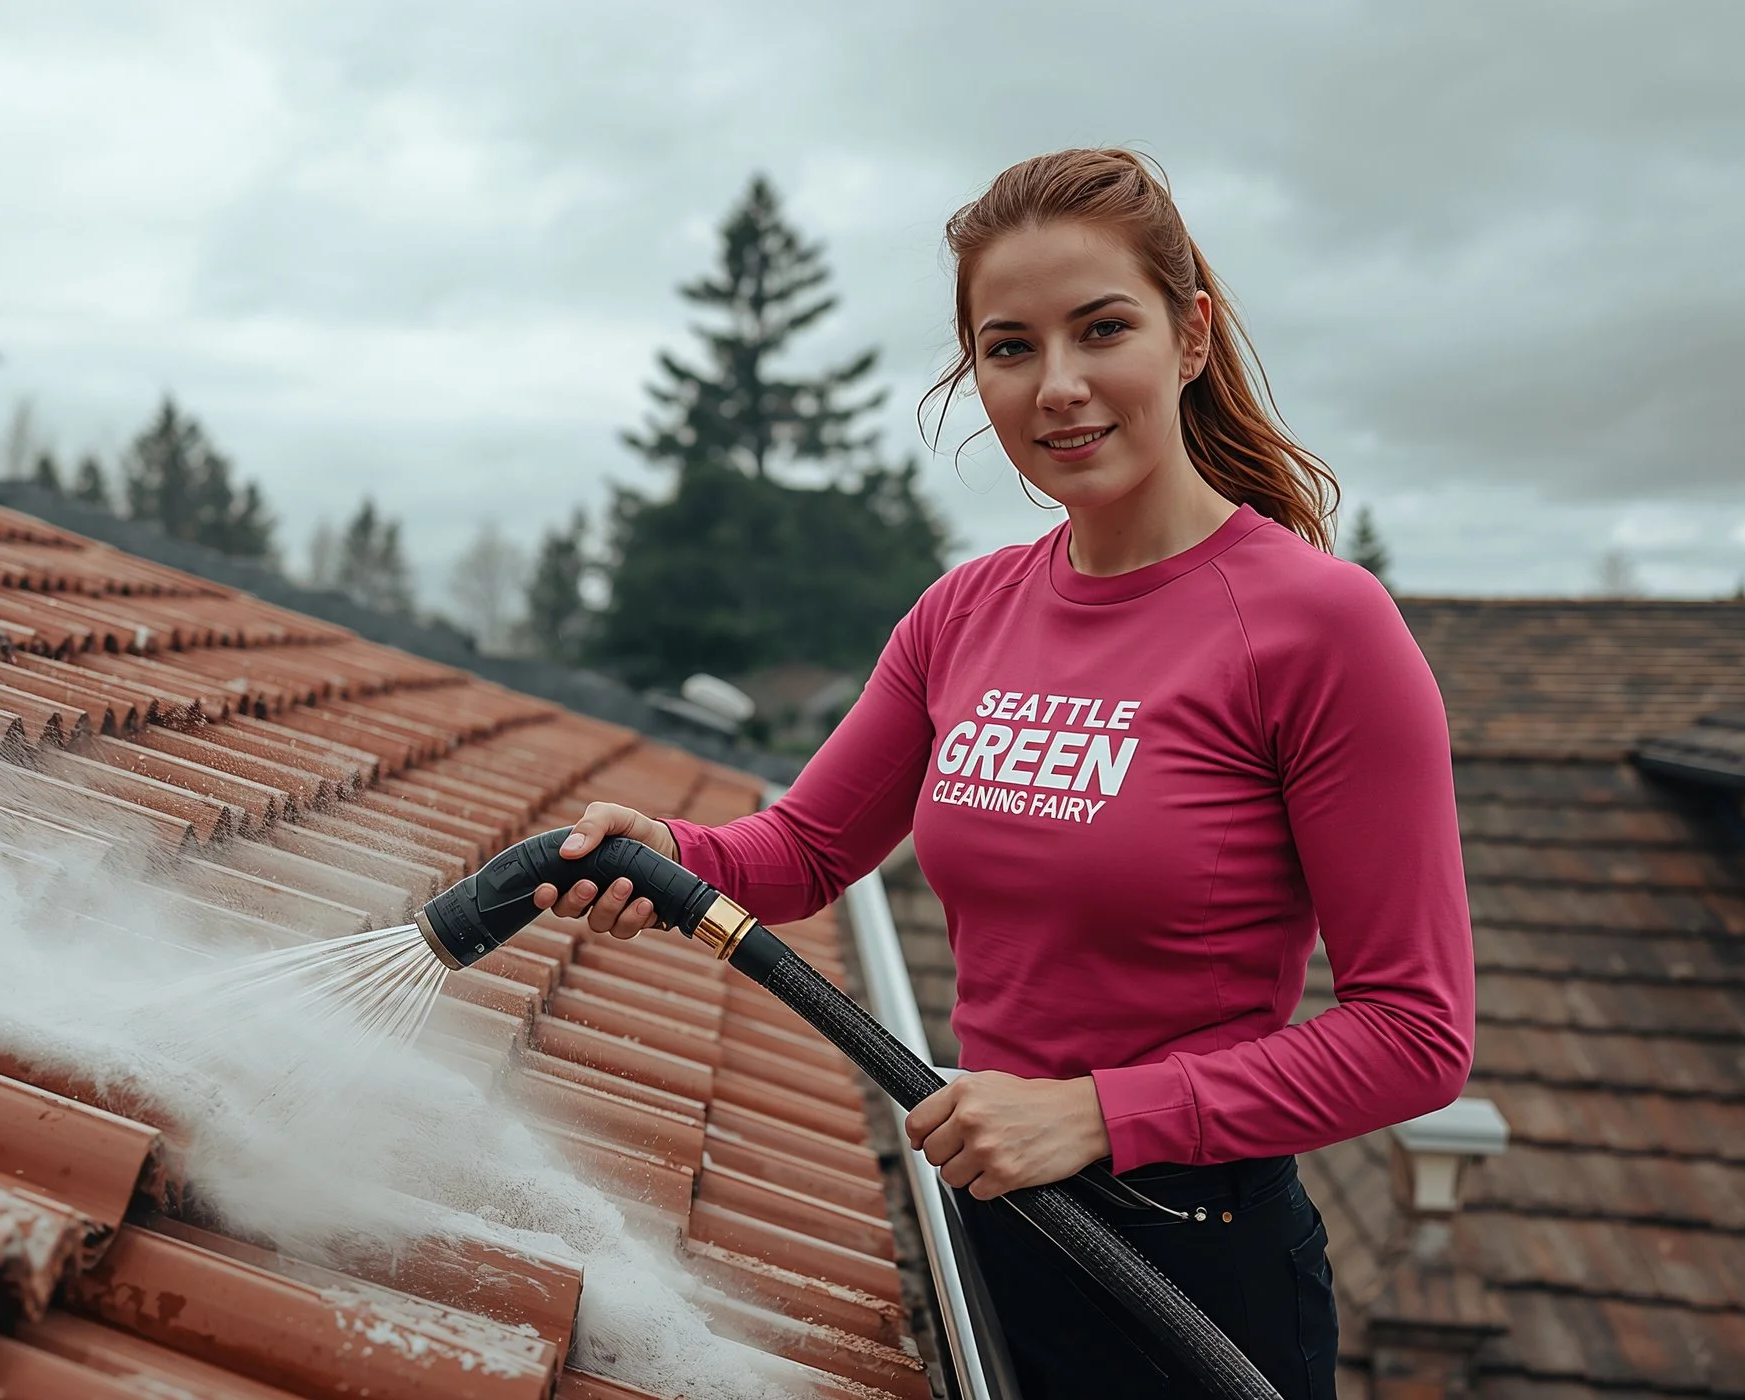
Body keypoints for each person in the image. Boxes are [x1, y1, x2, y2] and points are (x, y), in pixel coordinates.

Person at [533, 148, 1475, 1399]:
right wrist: (664, 845)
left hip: (1191, 1266)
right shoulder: (962, 611)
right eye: (1010, 346)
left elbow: (1415, 1034)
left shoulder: (1320, 628)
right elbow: (804, 850)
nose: (1060, 386)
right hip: (993, 1223)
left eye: (1101, 329)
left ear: (1189, 337)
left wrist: (1094, 1112)